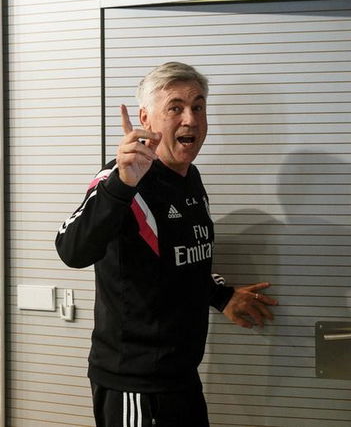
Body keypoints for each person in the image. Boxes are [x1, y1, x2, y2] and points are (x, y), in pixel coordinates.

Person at [55, 62, 278, 426]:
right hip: (134, 384)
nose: (190, 118)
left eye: (198, 106)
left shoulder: (190, 178)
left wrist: (221, 296)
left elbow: (178, 261)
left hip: (181, 377)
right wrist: (121, 185)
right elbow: (71, 250)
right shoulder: (121, 176)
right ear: (146, 117)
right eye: (175, 107)